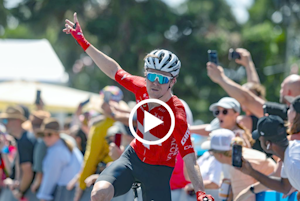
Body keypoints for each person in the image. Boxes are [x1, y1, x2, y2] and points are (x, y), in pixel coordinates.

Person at [63, 13, 212, 201]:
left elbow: (190, 157)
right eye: (151, 76)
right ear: (145, 74)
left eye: (162, 79)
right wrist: (83, 41)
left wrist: (200, 192)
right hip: (133, 158)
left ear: (172, 82)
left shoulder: (176, 112)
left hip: (159, 170)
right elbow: (113, 70)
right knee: (99, 193)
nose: (155, 83)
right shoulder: (141, 86)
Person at [207, 61, 300, 120]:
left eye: (282, 87)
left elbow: (249, 99)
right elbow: (253, 94)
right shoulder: (289, 113)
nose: (280, 91)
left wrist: (221, 78)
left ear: (289, 92)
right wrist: (248, 63)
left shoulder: (286, 113)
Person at [235, 115, 300, 199]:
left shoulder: (293, 164)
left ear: (267, 144)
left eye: (260, 140)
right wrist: (251, 172)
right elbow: (284, 187)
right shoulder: (291, 150)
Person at [207, 129, 276, 201]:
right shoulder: (245, 155)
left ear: (220, 155)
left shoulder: (239, 166)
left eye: (211, 152)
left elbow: (245, 199)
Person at [36, 118, 83, 201]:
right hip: (73, 192)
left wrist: (43, 196)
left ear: (57, 134)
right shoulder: (66, 146)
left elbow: (50, 178)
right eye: (43, 135)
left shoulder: (56, 151)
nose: (46, 138)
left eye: (49, 134)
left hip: (64, 193)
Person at [0, 106, 37, 201]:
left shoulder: (25, 141)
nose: (4, 124)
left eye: (5, 121)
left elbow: (27, 171)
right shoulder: (20, 139)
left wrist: (20, 191)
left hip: (28, 194)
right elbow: (15, 170)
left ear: (16, 121)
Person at [21, 110, 51, 194]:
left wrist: (35, 185)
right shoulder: (48, 140)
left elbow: (39, 173)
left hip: (44, 188)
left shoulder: (42, 142)